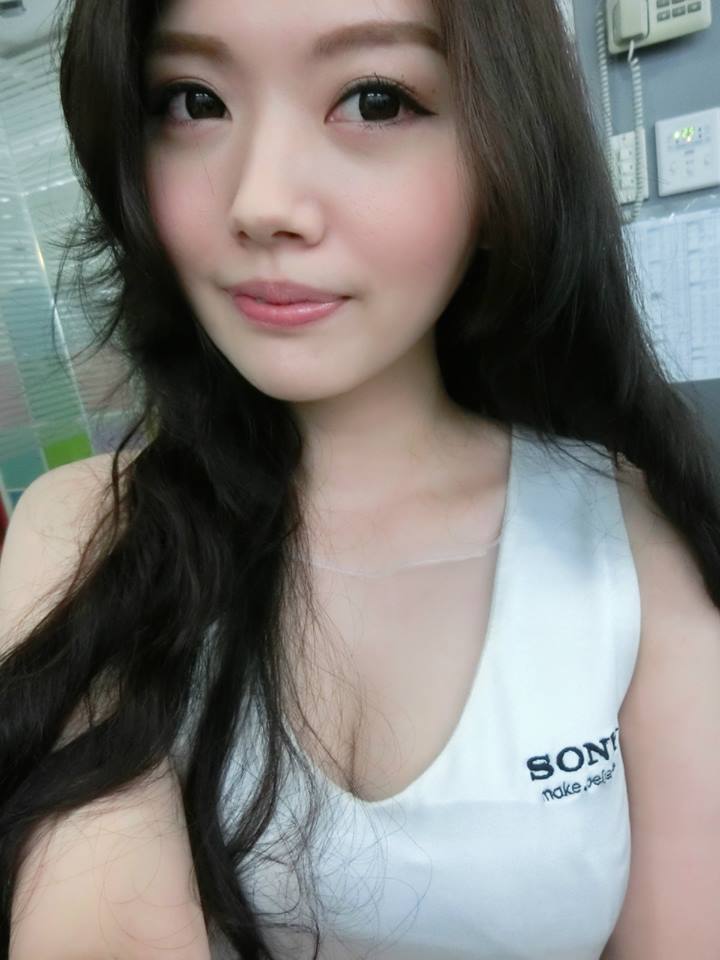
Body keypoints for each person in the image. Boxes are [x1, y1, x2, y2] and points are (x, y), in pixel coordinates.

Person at [1, 0, 719, 957]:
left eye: (375, 100)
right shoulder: (89, 529)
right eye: (192, 100)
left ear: (507, 155)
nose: (260, 202)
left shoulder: (632, 537)